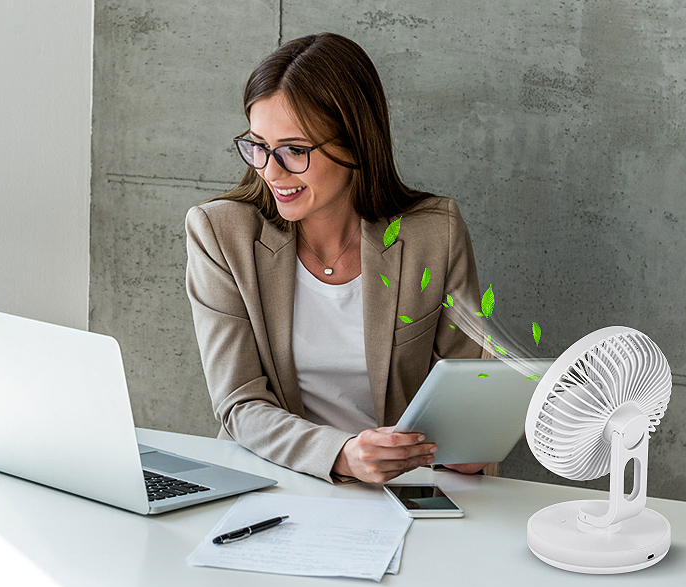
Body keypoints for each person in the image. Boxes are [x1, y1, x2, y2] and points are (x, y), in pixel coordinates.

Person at [185, 32, 487, 484]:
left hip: (405, 490)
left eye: (294, 150)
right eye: (258, 145)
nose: (270, 170)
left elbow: (470, 390)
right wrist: (341, 454)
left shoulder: (433, 233)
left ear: (355, 145)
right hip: (277, 480)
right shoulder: (220, 234)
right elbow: (239, 404)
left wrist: (471, 444)